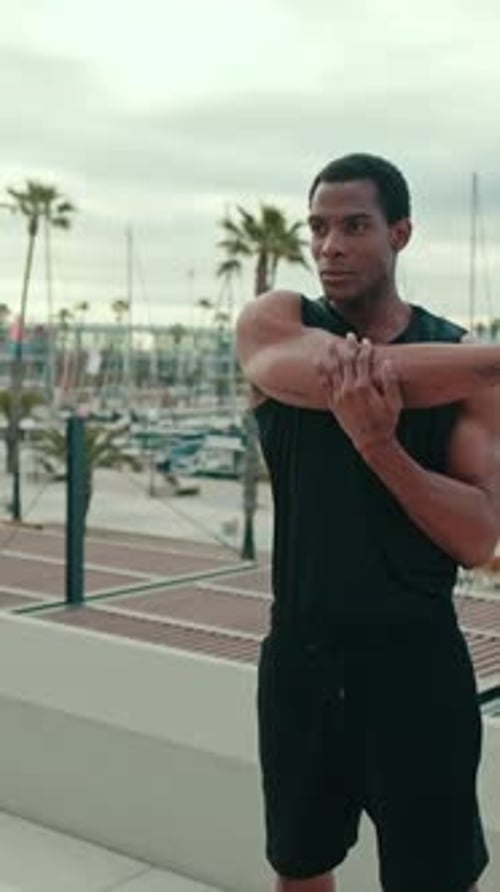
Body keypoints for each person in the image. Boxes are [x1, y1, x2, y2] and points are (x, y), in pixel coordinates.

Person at [236, 153, 500, 892]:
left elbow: (479, 537)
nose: (330, 246)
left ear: (401, 234)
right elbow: (337, 375)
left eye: (354, 226)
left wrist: (381, 446)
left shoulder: (461, 365)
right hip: (301, 658)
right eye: (318, 228)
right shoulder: (275, 321)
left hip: (418, 669)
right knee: (301, 869)